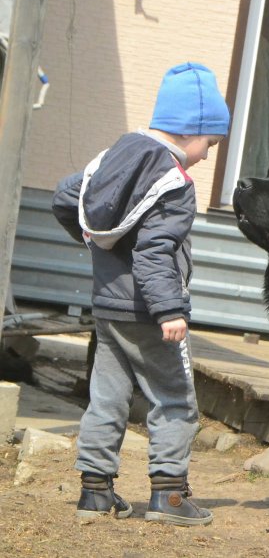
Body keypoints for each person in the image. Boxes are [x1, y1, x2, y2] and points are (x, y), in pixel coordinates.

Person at [52, 62, 230, 526]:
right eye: (210, 143)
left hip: (108, 306)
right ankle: (169, 497)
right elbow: (154, 254)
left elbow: (65, 197)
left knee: (106, 396)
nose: (208, 156)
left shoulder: (115, 155)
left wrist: (98, 247)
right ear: (191, 131)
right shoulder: (173, 181)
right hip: (152, 313)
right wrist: (170, 308)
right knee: (174, 398)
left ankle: (95, 491)